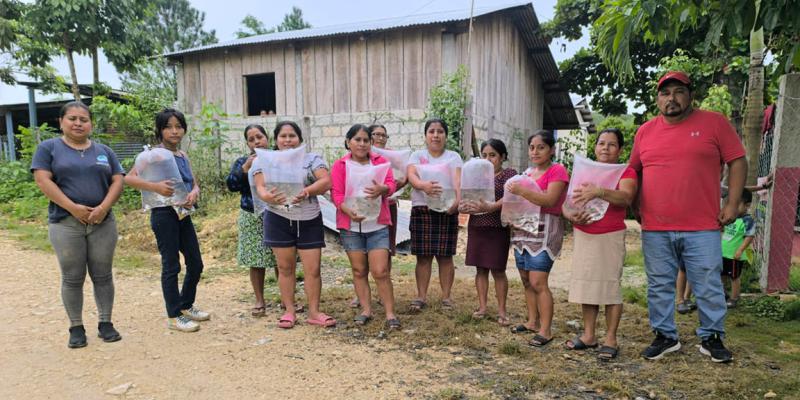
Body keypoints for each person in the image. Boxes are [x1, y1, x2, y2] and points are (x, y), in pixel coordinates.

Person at [630, 71, 746, 363]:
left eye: (678, 91)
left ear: (690, 95)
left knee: (707, 281)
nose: (672, 98)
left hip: (703, 225)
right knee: (658, 283)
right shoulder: (645, 131)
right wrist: (633, 206)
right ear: (658, 99)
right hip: (656, 225)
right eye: (665, 93)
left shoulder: (714, 123)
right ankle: (665, 335)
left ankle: (711, 336)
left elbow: (737, 161)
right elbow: (633, 170)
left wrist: (732, 204)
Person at [31, 101, 124, 348]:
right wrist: (73, 208)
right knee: (72, 277)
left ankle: (106, 323)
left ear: (91, 124)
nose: (78, 123)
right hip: (65, 222)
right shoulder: (48, 148)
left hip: (103, 222)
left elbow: (117, 180)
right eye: (72, 118)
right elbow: (43, 180)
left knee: (103, 275)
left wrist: (103, 208)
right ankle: (76, 327)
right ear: (61, 122)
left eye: (83, 119)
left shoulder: (104, 151)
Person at [125, 108, 209, 333]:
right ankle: (174, 315)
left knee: (196, 263)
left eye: (178, 126)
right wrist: (155, 187)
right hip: (164, 215)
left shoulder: (183, 155)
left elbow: (194, 182)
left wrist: (195, 193)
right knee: (171, 265)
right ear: (160, 130)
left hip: (184, 214)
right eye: (168, 127)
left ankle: (186, 304)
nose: (174, 131)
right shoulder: (154, 155)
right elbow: (129, 178)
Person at [562, 128, 638, 361]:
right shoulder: (586, 169)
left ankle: (611, 338)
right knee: (587, 286)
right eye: (601, 143)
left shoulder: (627, 171)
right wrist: (570, 215)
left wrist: (600, 191)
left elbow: (626, 198)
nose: (605, 148)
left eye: (612, 144)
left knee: (609, 288)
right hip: (584, 234)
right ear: (595, 147)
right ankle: (589, 335)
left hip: (609, 236)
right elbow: (567, 203)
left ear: (621, 150)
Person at [252, 121, 335, 329]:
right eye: (283, 136)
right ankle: (289, 311)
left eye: (292, 136)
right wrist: (268, 197)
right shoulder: (264, 160)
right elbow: (260, 188)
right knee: (285, 267)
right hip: (278, 219)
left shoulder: (311, 159)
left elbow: (326, 181)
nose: (288, 140)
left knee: (313, 269)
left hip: (309, 219)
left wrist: (307, 191)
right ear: (276, 140)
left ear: (300, 139)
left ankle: (314, 312)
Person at [330, 124, 400, 328]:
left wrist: (383, 188)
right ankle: (366, 310)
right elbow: (337, 194)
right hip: (350, 226)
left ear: (371, 143)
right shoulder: (340, 166)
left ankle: (390, 314)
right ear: (348, 142)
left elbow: (391, 184)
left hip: (377, 224)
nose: (361, 144)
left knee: (380, 271)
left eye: (365, 140)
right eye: (357, 140)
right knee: (359, 270)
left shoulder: (381, 162)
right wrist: (347, 210)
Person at [506, 130, 569, 347]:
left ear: (551, 150)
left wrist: (522, 191)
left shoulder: (557, 171)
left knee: (538, 281)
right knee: (525, 280)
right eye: (532, 147)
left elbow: (550, 200)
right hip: (523, 231)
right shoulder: (527, 173)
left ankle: (546, 329)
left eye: (541, 147)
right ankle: (532, 322)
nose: (535, 151)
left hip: (546, 231)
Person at [406, 118, 463, 311]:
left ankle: (446, 297)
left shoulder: (453, 156)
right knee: (423, 256)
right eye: (431, 131)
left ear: (446, 136)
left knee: (445, 256)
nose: (436, 135)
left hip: (447, 209)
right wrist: (423, 186)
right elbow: (411, 175)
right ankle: (421, 296)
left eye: (440, 131)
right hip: (422, 208)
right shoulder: (417, 155)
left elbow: (457, 180)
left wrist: (457, 201)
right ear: (425, 135)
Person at [460, 139, 517, 326]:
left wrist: (492, 206)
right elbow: (467, 196)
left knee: (498, 270)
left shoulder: (509, 175)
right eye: (484, 155)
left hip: (497, 227)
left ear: (503, 157)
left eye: (492, 155)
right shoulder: (476, 175)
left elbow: (511, 196)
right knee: (480, 269)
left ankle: (502, 311)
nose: (488, 159)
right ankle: (482, 307)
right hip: (477, 225)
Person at [226, 124, 278, 317]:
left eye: (260, 137)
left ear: (267, 138)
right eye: (251, 139)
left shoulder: (277, 157)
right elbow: (231, 185)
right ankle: (259, 300)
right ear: (247, 143)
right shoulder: (242, 161)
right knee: (256, 260)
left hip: (278, 213)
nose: (257, 141)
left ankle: (287, 299)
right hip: (251, 214)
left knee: (281, 259)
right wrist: (245, 169)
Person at [721, 190, 755, 308]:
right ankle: (722, 294)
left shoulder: (747, 220)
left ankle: (734, 298)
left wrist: (740, 250)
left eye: (737, 204)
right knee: (721, 275)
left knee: (734, 277)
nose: (733, 207)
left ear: (747, 206)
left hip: (734, 256)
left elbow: (749, 236)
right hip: (723, 253)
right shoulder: (730, 217)